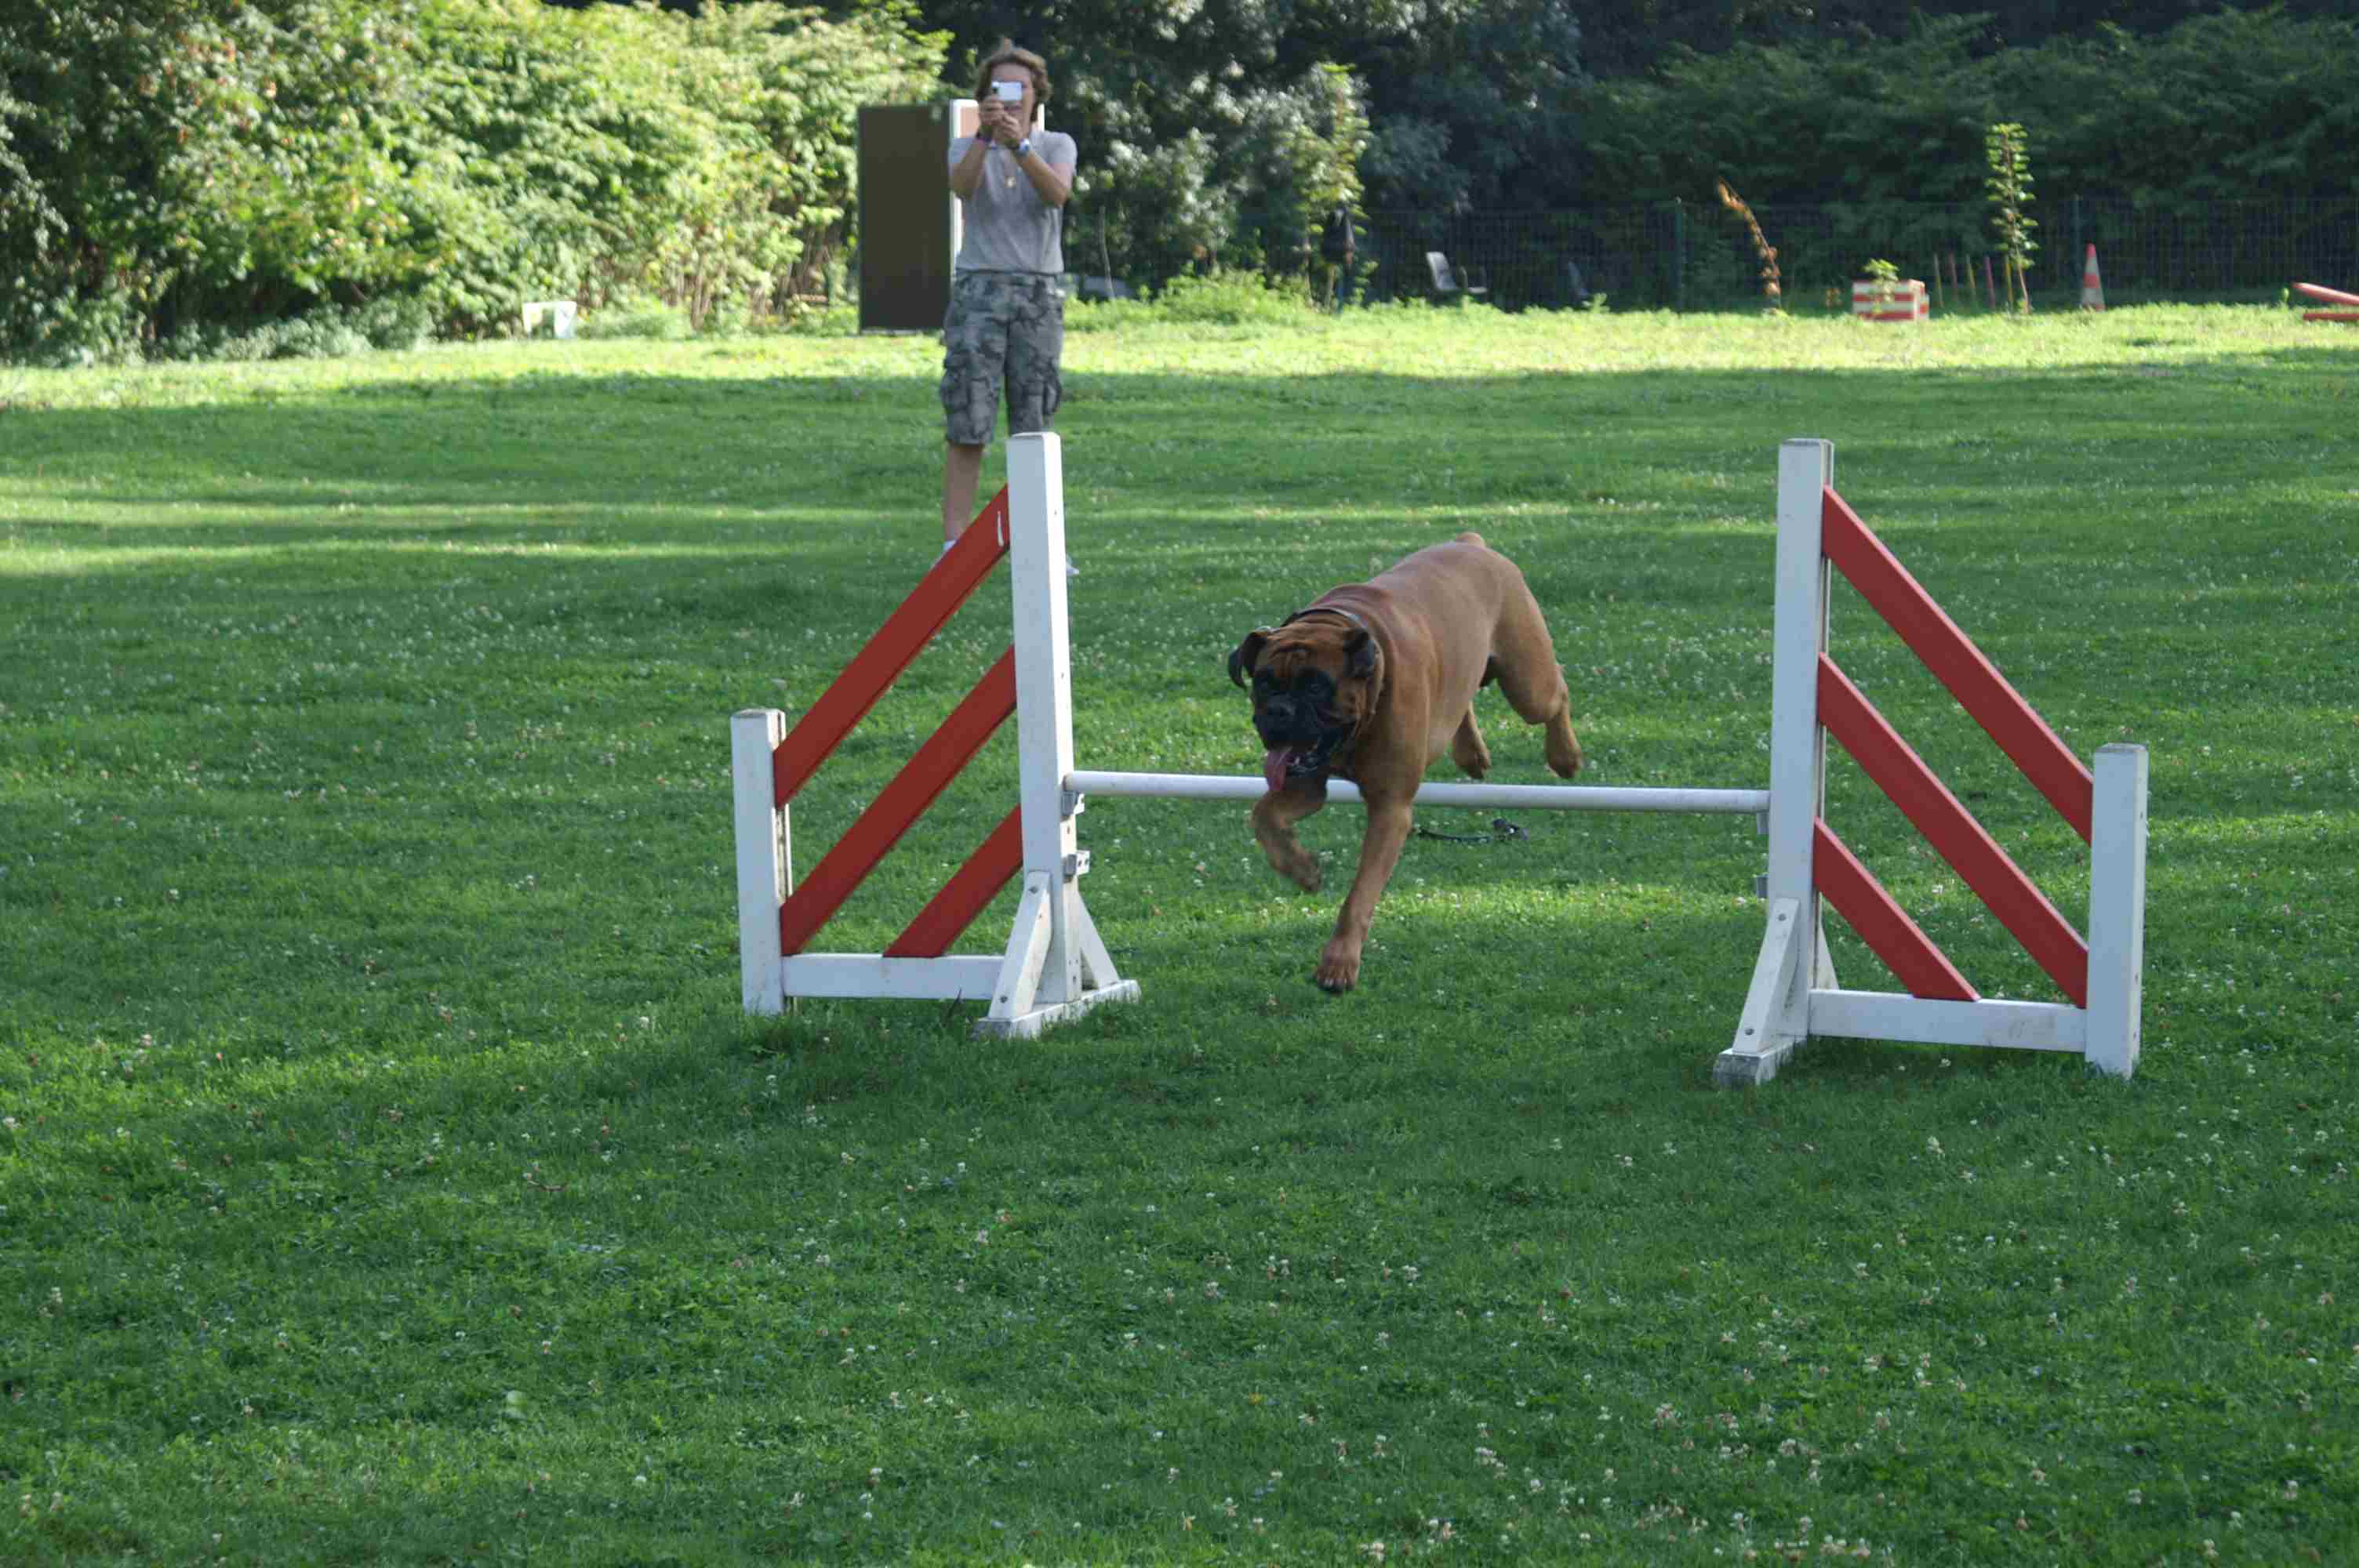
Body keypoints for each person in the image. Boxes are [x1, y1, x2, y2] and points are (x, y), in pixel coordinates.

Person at [940, 41, 1076, 556]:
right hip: (979, 290)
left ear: (1037, 95)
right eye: (1002, 89)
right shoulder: (965, 146)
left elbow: (1057, 194)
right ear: (985, 97)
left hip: (1038, 292)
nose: (1012, 99)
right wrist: (986, 136)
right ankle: (954, 546)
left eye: (1022, 89)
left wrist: (1021, 147)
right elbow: (962, 187)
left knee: (1033, 423)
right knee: (968, 418)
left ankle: (1042, 546)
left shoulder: (1056, 144)